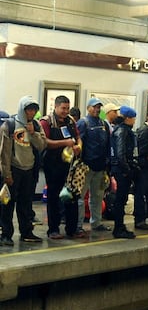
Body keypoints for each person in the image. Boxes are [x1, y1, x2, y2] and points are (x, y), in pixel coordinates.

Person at [0, 96, 46, 245]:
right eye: (28, 109)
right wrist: (7, 174)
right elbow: (4, 153)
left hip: (29, 170)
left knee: (26, 204)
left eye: (34, 110)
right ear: (22, 109)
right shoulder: (10, 125)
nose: (31, 113)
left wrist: (33, 133)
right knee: (7, 204)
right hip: (14, 169)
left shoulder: (37, 126)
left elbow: (42, 146)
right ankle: (6, 234)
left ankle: (27, 232)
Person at [39, 95, 83, 239]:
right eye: (63, 108)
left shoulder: (70, 121)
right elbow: (44, 142)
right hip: (53, 165)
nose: (65, 111)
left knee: (72, 195)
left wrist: (78, 146)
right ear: (56, 107)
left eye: (67, 108)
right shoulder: (47, 122)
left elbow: (78, 137)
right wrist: (64, 143)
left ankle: (72, 228)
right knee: (53, 198)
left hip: (69, 165)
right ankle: (53, 229)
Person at [76, 97, 112, 232]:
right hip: (85, 167)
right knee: (80, 197)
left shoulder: (104, 124)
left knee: (97, 197)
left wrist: (107, 164)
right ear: (88, 108)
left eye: (99, 107)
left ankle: (96, 223)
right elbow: (79, 143)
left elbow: (108, 144)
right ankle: (78, 225)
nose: (97, 109)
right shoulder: (83, 123)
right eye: (94, 107)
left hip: (100, 167)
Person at [109, 106, 138, 239]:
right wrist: (127, 170)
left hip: (119, 168)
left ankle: (119, 226)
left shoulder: (119, 129)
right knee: (121, 199)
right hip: (121, 170)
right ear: (128, 118)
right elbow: (121, 154)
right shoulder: (123, 131)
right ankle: (118, 227)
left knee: (121, 199)